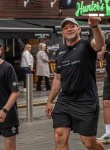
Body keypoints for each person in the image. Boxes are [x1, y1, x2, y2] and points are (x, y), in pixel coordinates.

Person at [45, 17, 105, 150]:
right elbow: (58, 78)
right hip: (65, 100)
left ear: (79, 29)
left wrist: (95, 26)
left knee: (89, 143)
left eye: (72, 26)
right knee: (59, 136)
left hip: (86, 101)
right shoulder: (60, 52)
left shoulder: (87, 44)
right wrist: (50, 101)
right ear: (62, 33)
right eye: (65, 28)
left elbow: (99, 44)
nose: (69, 29)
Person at [97, 40, 110, 144]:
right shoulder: (108, 41)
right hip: (109, 78)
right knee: (106, 103)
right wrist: (102, 50)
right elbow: (100, 57)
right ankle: (108, 133)